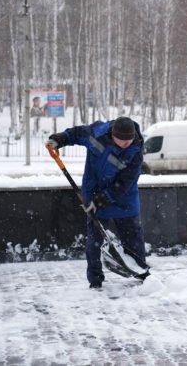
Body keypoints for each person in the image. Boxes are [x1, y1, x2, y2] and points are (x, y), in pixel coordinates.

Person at [47, 117, 146, 289]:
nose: (125, 144)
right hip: (93, 193)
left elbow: (126, 182)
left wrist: (101, 200)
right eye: (121, 141)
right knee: (94, 242)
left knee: (134, 240)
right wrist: (60, 139)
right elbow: (77, 134)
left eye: (128, 141)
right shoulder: (96, 134)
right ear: (112, 134)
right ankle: (95, 280)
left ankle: (142, 274)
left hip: (124, 199)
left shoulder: (136, 150)